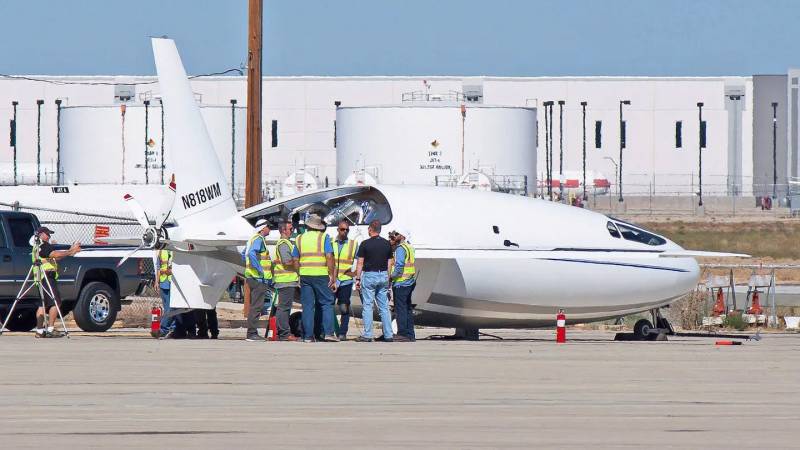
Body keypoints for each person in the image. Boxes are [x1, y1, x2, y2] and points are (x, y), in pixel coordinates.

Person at [293, 214, 336, 343]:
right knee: (327, 303)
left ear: (307, 226)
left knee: (307, 306)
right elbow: (329, 256)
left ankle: (308, 336)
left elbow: (295, 259)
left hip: (305, 275)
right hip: (321, 274)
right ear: (319, 227)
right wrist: (331, 275)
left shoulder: (299, 238)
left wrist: (299, 273)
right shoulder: (324, 238)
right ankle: (328, 333)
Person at [32, 226, 80, 338]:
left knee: (42, 304)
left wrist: (70, 251)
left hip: (40, 278)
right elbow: (55, 254)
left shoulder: (37, 247)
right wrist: (70, 251)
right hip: (47, 277)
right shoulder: (43, 245)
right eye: (47, 234)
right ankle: (50, 329)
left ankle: (39, 331)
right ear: (41, 234)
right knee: (55, 302)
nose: (49, 236)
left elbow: (55, 257)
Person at [354, 220, 394, 342]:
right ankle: (388, 334)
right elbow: (390, 262)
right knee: (384, 307)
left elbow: (360, 262)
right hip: (383, 275)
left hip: (369, 275)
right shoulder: (387, 244)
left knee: (368, 306)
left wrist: (358, 278)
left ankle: (368, 334)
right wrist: (387, 277)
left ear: (370, 229)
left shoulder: (365, 244)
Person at [242, 218, 274, 341]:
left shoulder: (252, 239)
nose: (269, 229)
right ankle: (252, 334)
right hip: (258, 279)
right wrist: (260, 270)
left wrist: (250, 269)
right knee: (257, 306)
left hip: (252, 277)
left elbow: (244, 255)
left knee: (255, 306)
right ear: (263, 228)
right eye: (268, 227)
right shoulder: (259, 239)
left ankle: (252, 333)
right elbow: (250, 254)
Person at [273, 220, 300, 341]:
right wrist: (297, 262)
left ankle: (283, 332)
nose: (292, 231)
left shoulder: (285, 243)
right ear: (283, 230)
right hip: (285, 280)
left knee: (284, 307)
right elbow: (287, 261)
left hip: (286, 280)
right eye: (291, 229)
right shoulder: (284, 244)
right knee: (284, 308)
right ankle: (284, 333)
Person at [332, 219, 359, 341]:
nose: (345, 232)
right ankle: (325, 331)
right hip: (332, 279)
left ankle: (342, 333)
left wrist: (356, 274)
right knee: (327, 306)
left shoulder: (353, 244)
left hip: (346, 280)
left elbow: (361, 261)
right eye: (342, 229)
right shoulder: (331, 242)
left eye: (347, 230)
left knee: (344, 307)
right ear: (338, 229)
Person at [389, 228, 416, 342]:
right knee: (408, 308)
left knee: (401, 309)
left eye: (396, 234)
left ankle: (403, 333)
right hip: (409, 282)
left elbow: (399, 267)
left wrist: (391, 277)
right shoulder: (409, 247)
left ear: (402, 236)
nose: (393, 236)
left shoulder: (400, 249)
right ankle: (410, 334)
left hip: (401, 283)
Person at [156, 248, 176, 338]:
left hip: (173, 282)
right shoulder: (161, 251)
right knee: (167, 307)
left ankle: (165, 329)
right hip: (164, 281)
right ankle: (170, 329)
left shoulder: (176, 250)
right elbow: (158, 267)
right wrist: (156, 281)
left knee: (172, 308)